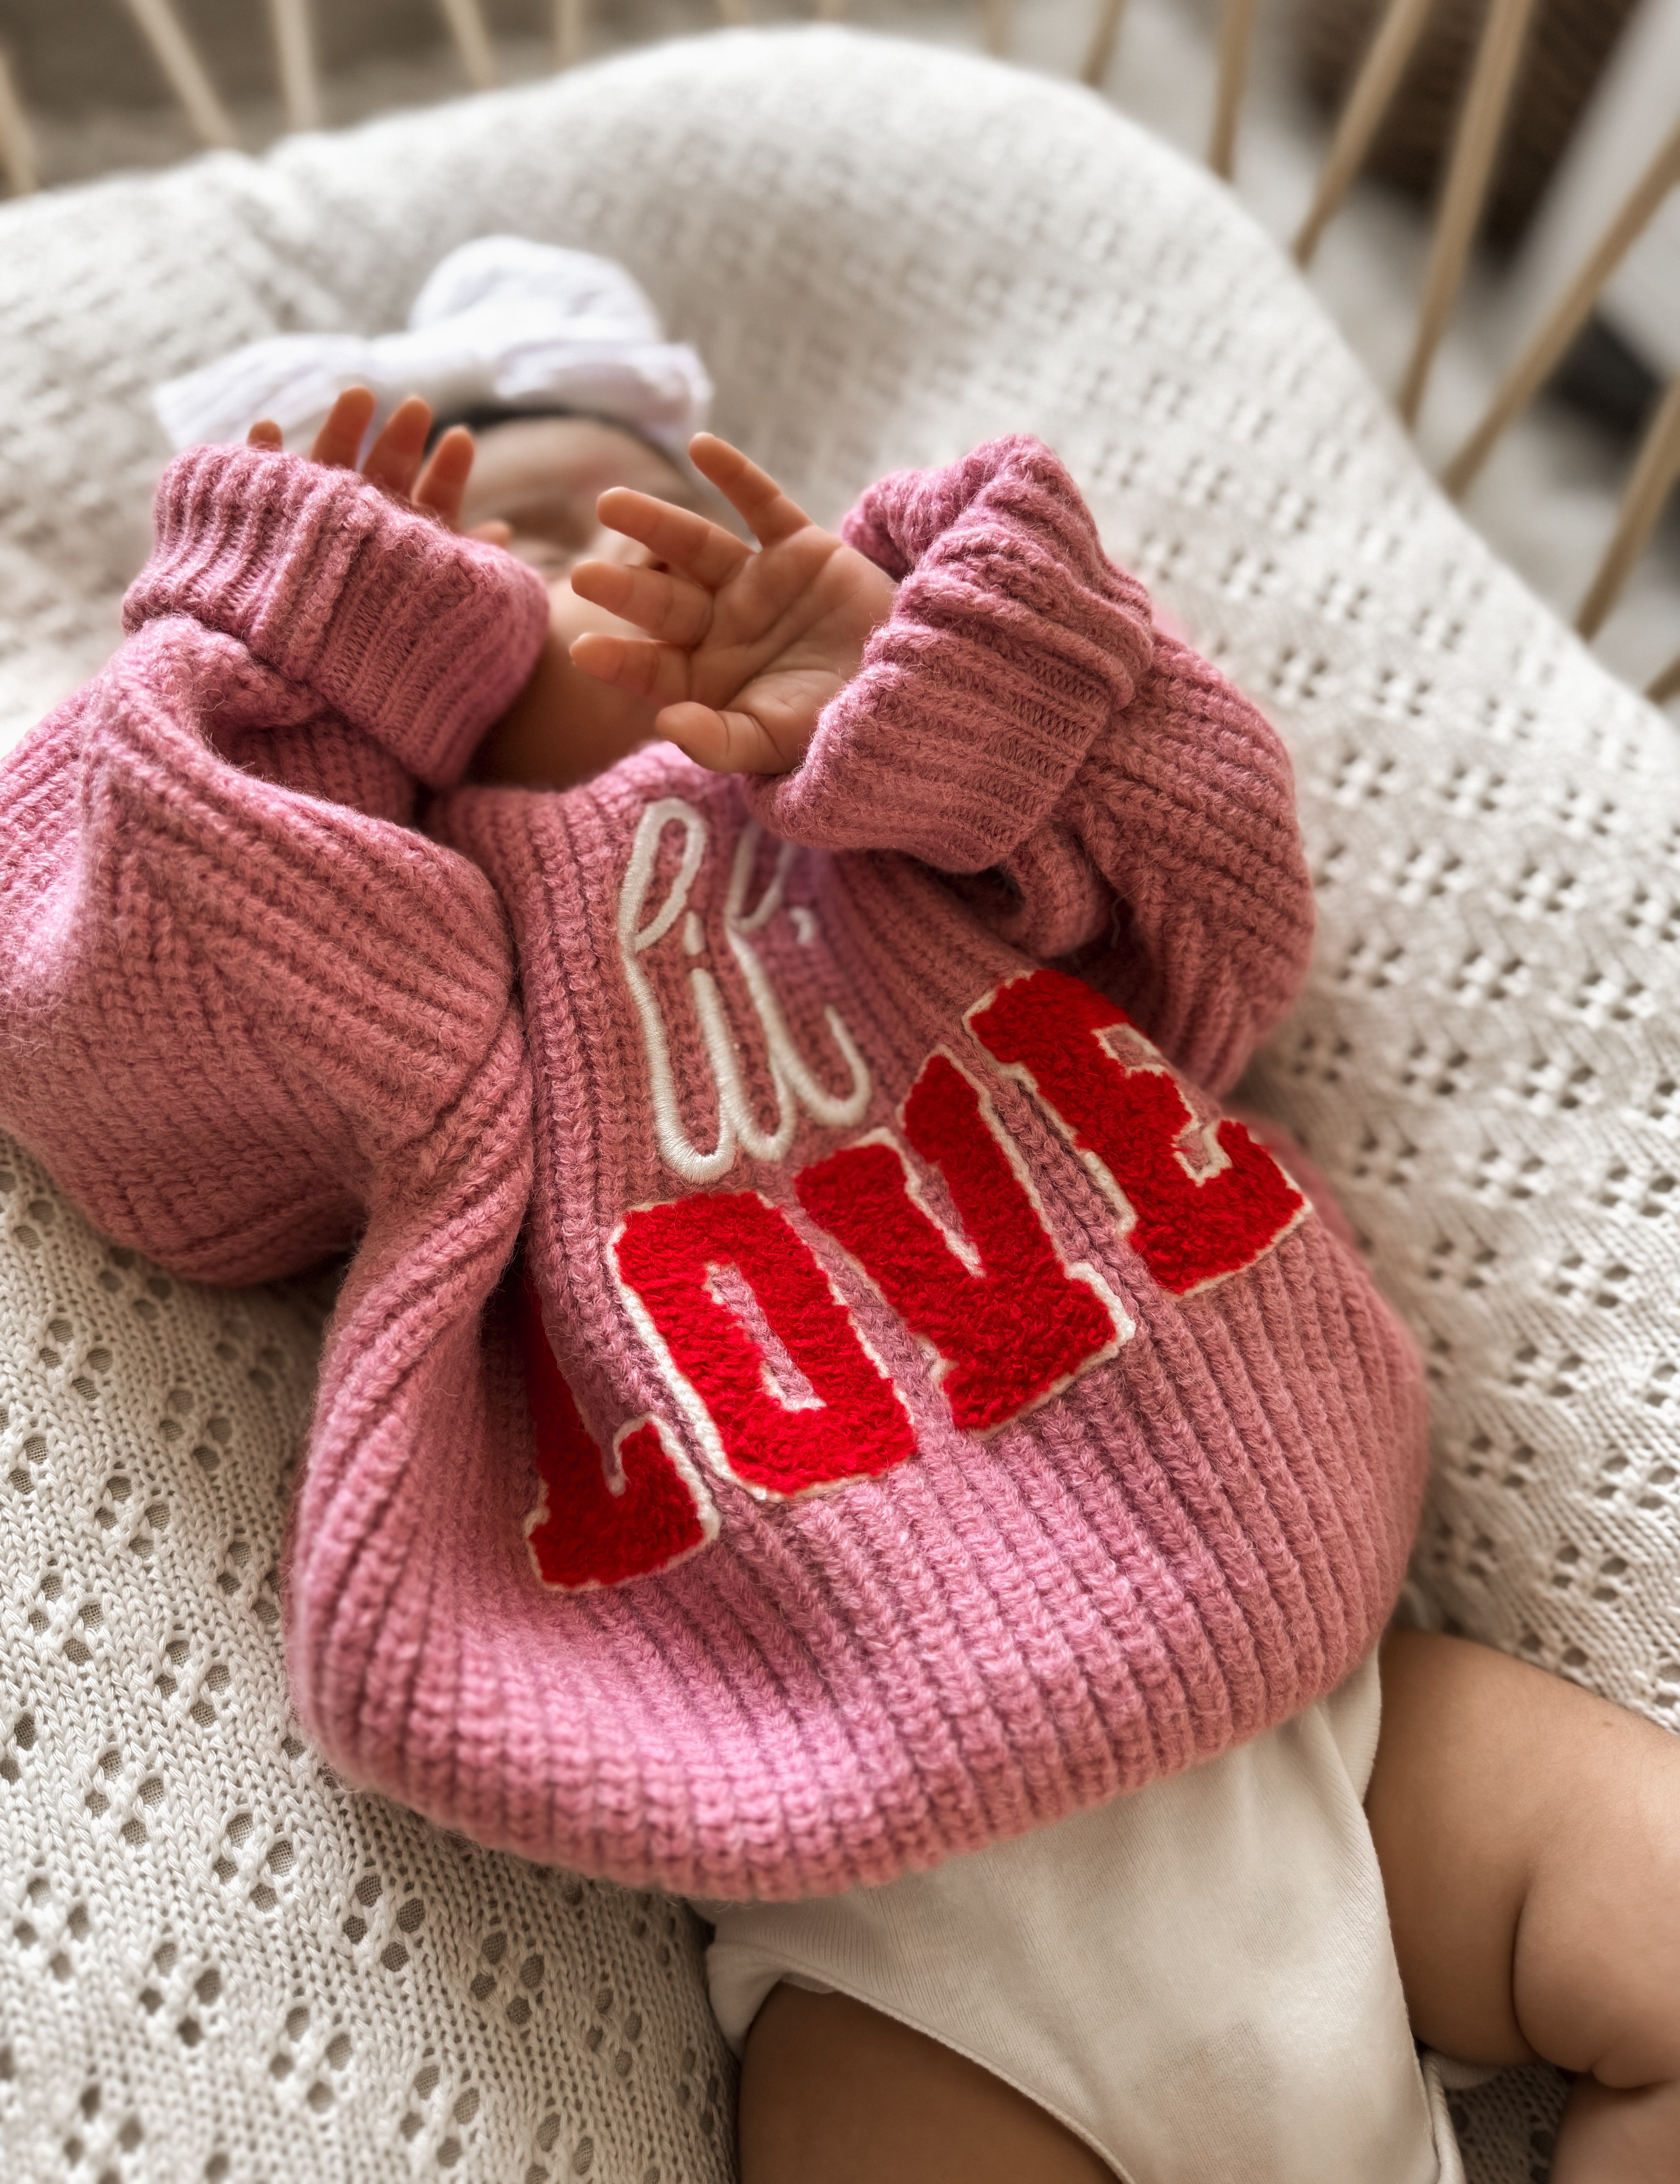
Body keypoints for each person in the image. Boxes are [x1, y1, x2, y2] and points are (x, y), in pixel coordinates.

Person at [2, 244, 1676, 2183]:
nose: (552, 571)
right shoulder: (409, 960)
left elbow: (1219, 919)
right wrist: (235, 683)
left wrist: (938, 694)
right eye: (457, 576)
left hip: (1328, 1726)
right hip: (888, 1933)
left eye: (607, 514)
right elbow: (145, 1099)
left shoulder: (899, 804)